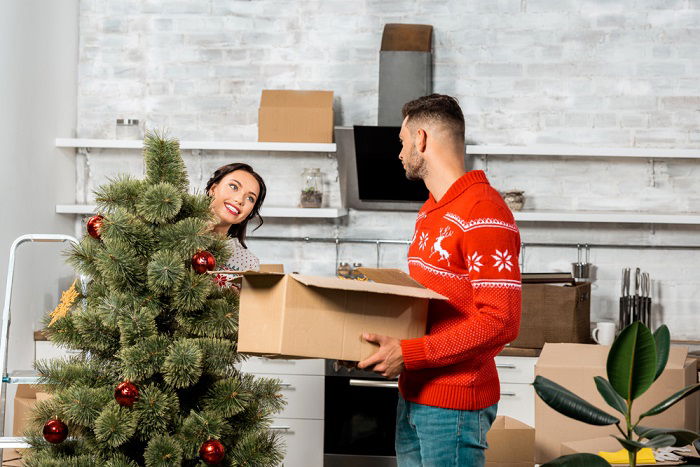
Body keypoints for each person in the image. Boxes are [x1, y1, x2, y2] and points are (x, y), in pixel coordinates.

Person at [357, 94, 522, 466]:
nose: (399, 154)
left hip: (454, 407)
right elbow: (431, 307)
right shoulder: (431, 212)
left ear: (421, 139)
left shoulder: (484, 211)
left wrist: (409, 353)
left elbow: (502, 321)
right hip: (413, 396)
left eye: (401, 142)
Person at [206, 162, 267, 281]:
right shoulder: (172, 232)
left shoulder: (248, 264)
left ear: (249, 213)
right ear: (213, 189)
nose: (240, 200)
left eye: (250, 198)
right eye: (234, 187)